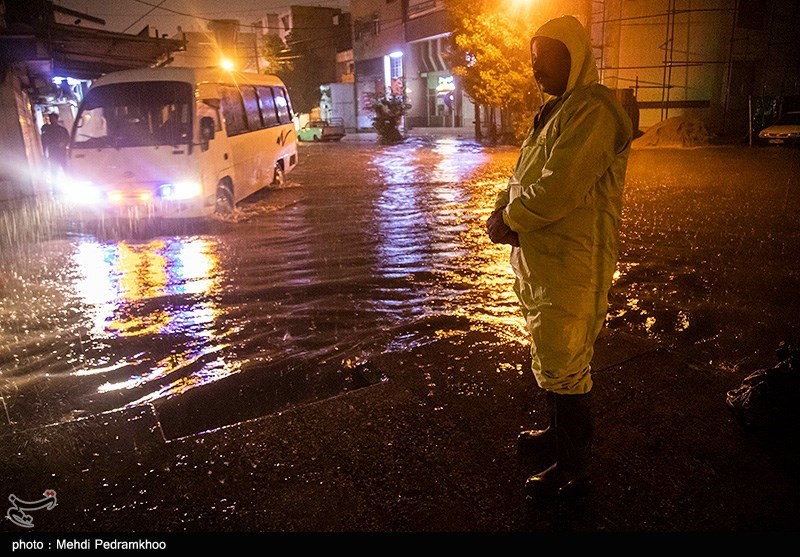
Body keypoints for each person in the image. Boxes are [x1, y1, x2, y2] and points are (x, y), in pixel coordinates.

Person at [486, 15, 632, 497]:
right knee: (550, 350)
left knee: (567, 359)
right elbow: (525, 176)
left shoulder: (595, 109)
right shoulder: (556, 110)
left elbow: (559, 187)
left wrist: (510, 218)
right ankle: (556, 435)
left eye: (547, 57)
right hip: (544, 257)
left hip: (574, 260)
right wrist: (503, 208)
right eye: (533, 59)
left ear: (576, 57)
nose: (536, 68)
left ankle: (573, 469)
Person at [40, 112, 71, 179]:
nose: (51, 120)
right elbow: (44, 141)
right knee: (54, 170)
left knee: (65, 169)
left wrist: (63, 143)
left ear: (56, 119)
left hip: (61, 152)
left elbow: (67, 139)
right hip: (53, 152)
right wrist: (44, 153)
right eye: (50, 119)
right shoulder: (47, 130)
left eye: (53, 119)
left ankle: (69, 180)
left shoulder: (62, 130)